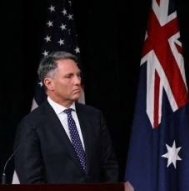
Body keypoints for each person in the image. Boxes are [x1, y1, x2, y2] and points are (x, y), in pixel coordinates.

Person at [14, 51, 119, 184]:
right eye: (69, 76)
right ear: (49, 83)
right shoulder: (31, 124)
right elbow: (32, 181)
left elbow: (109, 166)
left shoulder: (94, 117)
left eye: (78, 75)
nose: (77, 82)